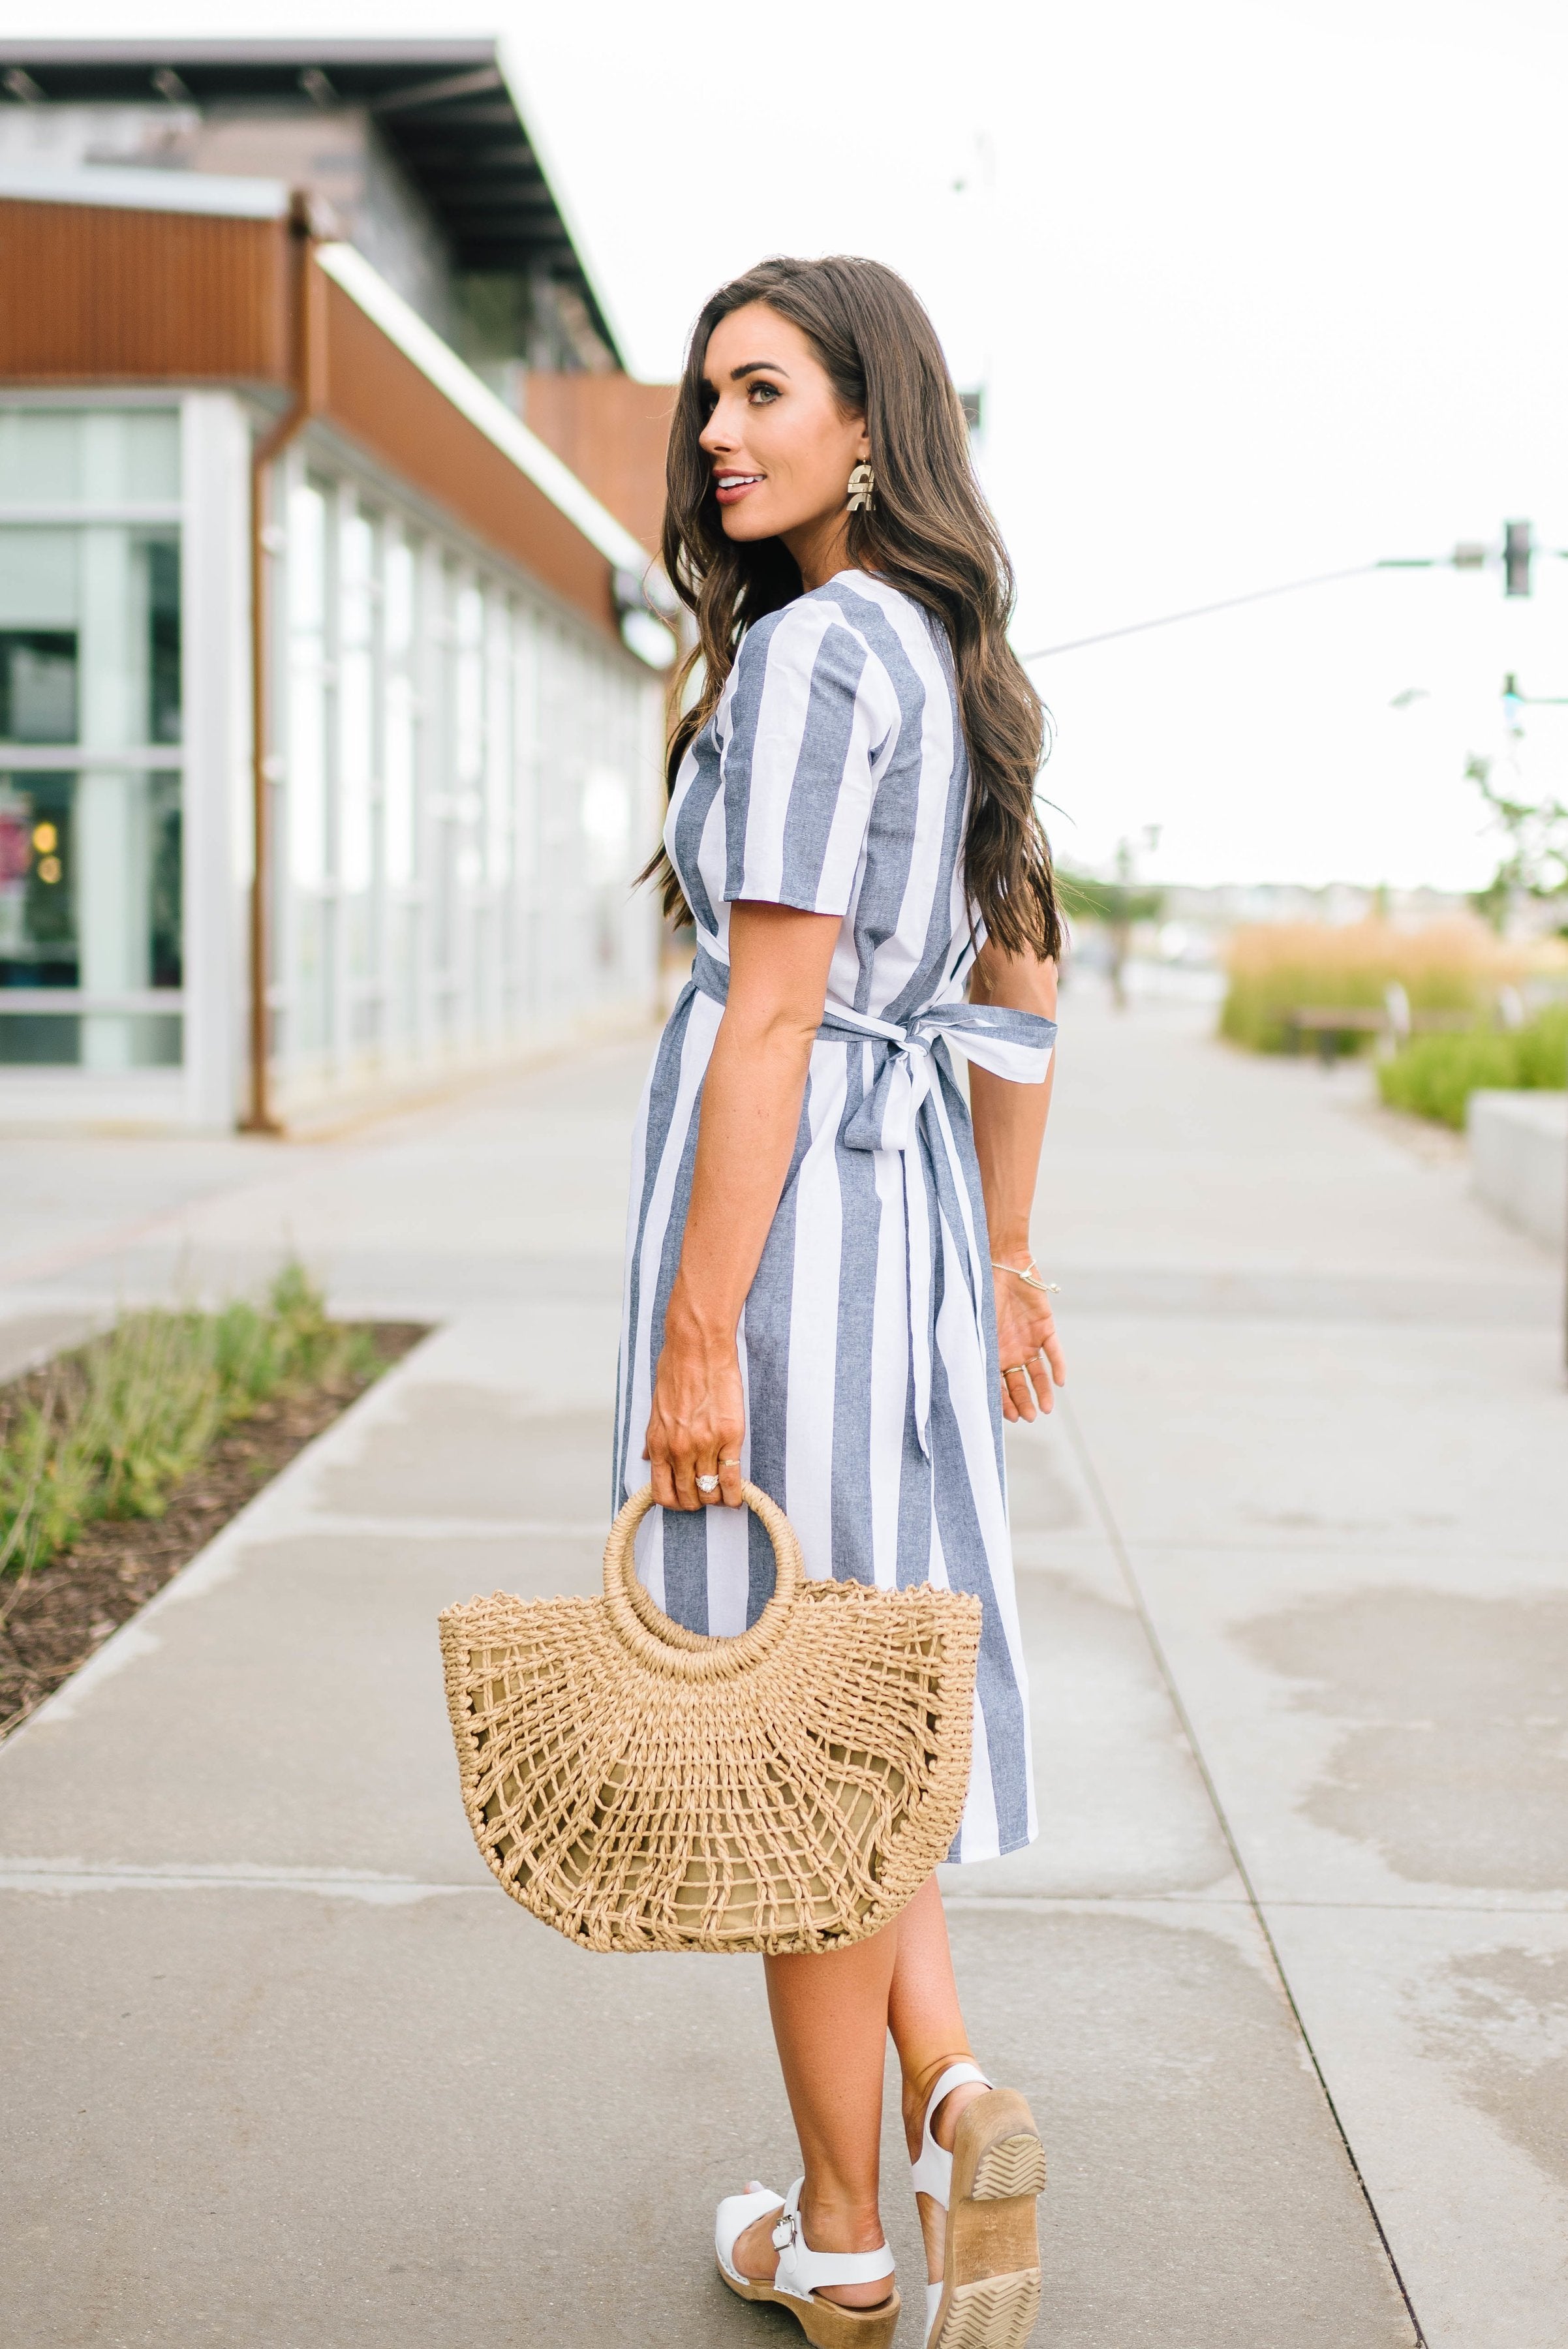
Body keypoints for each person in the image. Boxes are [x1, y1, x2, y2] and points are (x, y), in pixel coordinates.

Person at [613, 255, 1064, 2349]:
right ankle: (955, 2097)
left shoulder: (808, 659)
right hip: (902, 1243)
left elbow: (774, 1014)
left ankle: (840, 2236)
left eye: (761, 391)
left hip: (792, 1240)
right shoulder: (939, 656)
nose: (715, 429)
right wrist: (1011, 1253)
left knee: (795, 1738)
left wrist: (703, 1326)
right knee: (866, 1719)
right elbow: (1018, 988)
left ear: (869, 422)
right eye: (707, 395)